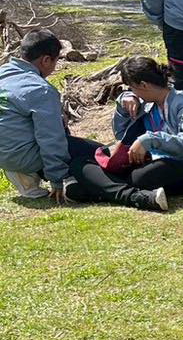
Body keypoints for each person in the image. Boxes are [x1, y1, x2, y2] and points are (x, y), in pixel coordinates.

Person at [0, 30, 166, 211]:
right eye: (56, 61)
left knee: (84, 153)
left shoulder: (3, 74)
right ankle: (133, 192)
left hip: (6, 153)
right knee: (102, 156)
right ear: (46, 60)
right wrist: (57, 178)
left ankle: (52, 183)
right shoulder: (39, 89)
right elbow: (50, 139)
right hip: (26, 154)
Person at [106, 56, 183, 201]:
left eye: (132, 88)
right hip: (152, 161)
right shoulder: (146, 105)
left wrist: (151, 140)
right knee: (94, 162)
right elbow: (121, 135)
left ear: (143, 85)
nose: (133, 92)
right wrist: (123, 104)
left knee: (138, 178)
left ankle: (110, 187)